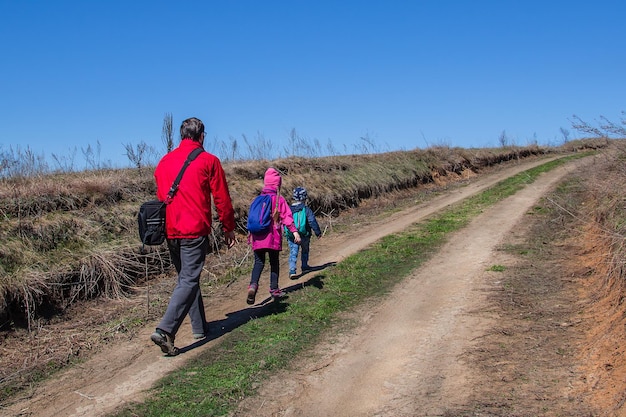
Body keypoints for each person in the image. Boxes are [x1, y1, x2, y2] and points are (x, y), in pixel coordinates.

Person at [150, 117, 236, 356]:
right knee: (188, 279)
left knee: (187, 277)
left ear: (181, 136)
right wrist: (228, 226)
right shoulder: (209, 161)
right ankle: (166, 330)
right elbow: (222, 198)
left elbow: (160, 191)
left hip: (170, 229)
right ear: (202, 136)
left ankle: (199, 327)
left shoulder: (164, 161)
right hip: (194, 229)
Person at [246, 167, 301, 305]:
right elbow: (287, 217)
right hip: (272, 237)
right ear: (277, 184)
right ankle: (274, 289)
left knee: (258, 263)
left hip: (257, 237)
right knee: (274, 263)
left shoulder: (257, 199)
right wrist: (294, 231)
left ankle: (253, 286)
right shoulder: (278, 199)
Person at [286, 186, 322, 278]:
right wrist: (317, 232)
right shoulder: (306, 209)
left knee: (293, 252)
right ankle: (304, 266)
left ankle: (292, 270)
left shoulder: (288, 209)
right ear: (304, 198)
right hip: (305, 234)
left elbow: (285, 221)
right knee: (305, 250)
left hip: (292, 235)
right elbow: (312, 221)